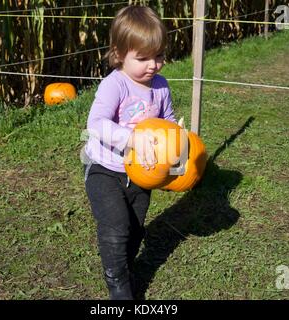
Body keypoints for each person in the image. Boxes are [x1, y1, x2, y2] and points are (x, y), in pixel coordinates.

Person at [82, 5, 180, 300]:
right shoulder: (115, 84)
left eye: (159, 56)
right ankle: (118, 286)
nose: (153, 65)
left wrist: (178, 143)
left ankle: (122, 265)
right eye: (143, 58)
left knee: (136, 230)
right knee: (116, 226)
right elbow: (95, 123)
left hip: (142, 175)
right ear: (119, 53)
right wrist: (132, 138)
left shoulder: (160, 87)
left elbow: (168, 122)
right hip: (103, 168)